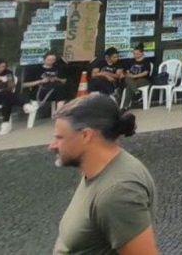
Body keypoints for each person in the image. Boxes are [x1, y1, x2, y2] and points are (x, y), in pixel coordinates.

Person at [50, 94, 157, 254]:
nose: (51, 146)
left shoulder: (119, 192)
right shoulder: (97, 170)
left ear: (86, 135)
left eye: (59, 137)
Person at [23, 51, 69, 118]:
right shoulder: (35, 69)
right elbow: (25, 85)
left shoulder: (57, 68)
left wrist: (57, 79)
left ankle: (59, 112)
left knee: (61, 88)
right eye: (49, 60)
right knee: (60, 89)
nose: (51, 61)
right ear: (44, 59)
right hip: (40, 92)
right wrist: (40, 81)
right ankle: (59, 112)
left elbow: (64, 81)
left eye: (53, 60)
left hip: (54, 91)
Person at [122, 44, 153, 109]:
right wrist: (128, 74)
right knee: (127, 79)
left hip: (143, 80)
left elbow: (145, 73)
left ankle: (125, 106)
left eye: (137, 53)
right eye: (134, 53)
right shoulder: (131, 61)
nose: (135, 55)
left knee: (129, 86)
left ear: (142, 53)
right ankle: (136, 92)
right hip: (132, 80)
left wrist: (134, 76)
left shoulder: (146, 61)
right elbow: (127, 71)